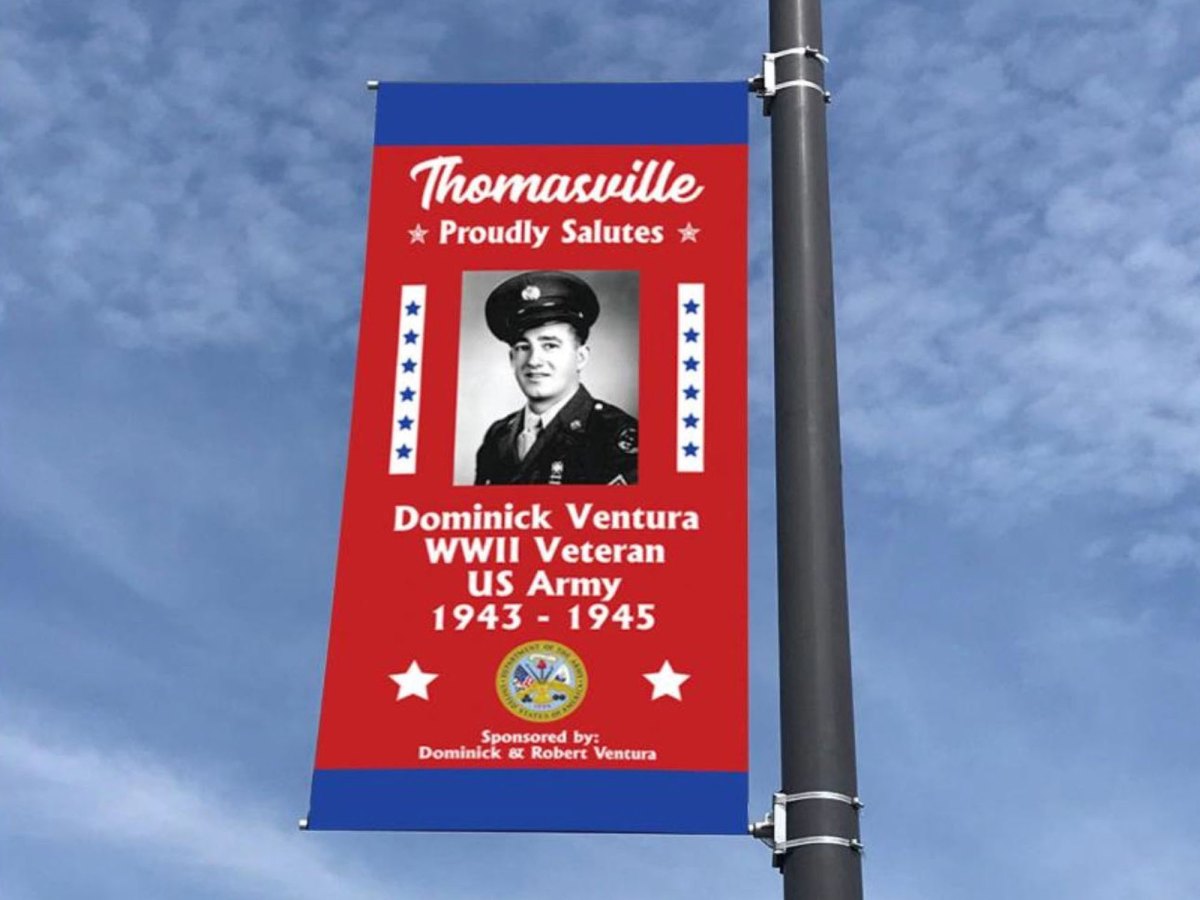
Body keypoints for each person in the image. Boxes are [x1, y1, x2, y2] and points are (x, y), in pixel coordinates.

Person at [474, 271, 638, 486]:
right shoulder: (498, 436)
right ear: (512, 359)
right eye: (523, 347)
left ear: (580, 357)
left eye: (550, 345)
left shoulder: (614, 436)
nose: (533, 361)